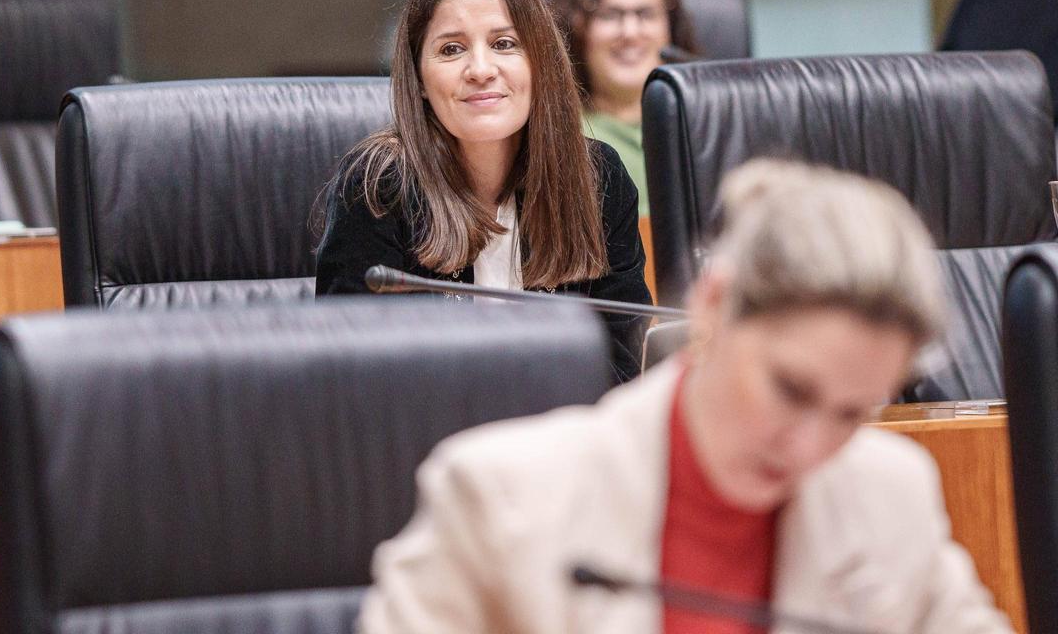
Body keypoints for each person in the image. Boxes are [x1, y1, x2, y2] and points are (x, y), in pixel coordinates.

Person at [357, 159, 1013, 634]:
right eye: (790, 389)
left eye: (851, 413)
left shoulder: (889, 494)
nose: (810, 444)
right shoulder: (501, 501)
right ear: (712, 306)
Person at [315, 0, 651, 382]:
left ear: (540, 62)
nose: (480, 69)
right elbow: (353, 374)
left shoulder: (597, 179)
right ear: (418, 78)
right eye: (451, 49)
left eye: (504, 44)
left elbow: (621, 364)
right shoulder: (379, 187)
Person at [551, 0, 700, 217]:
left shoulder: (708, 122)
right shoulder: (555, 133)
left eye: (646, 14)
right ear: (578, 30)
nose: (630, 32)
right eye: (610, 15)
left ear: (671, 30)